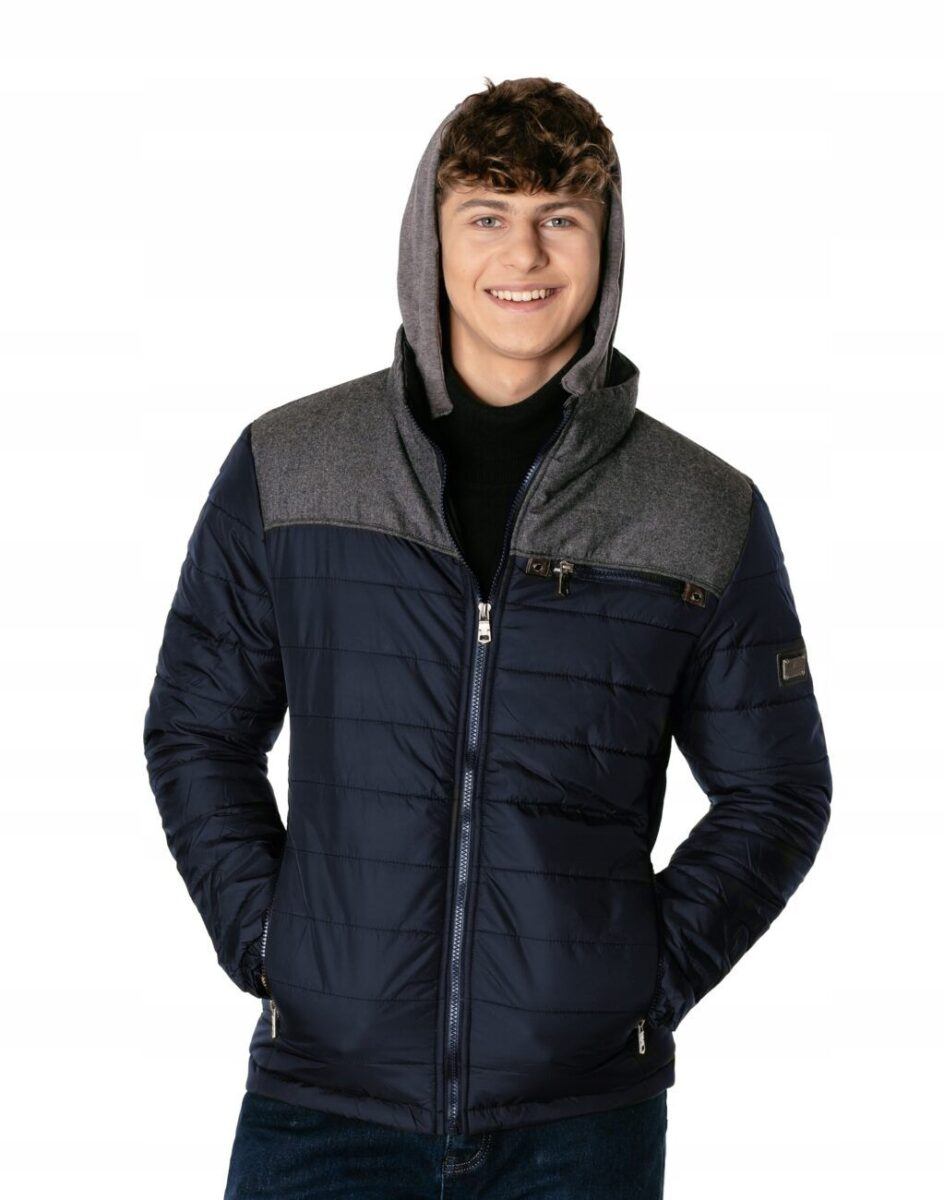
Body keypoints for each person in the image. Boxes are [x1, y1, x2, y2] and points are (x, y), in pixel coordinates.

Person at [143, 76, 832, 1198]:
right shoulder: (291, 466)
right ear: (431, 237)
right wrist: (271, 944)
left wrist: (636, 979)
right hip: (323, 1108)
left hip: (579, 1128)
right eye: (486, 214)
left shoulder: (701, 508)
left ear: (605, 245)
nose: (524, 253)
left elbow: (778, 791)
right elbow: (196, 732)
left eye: (560, 216)